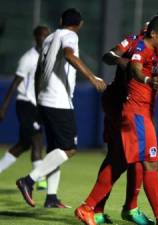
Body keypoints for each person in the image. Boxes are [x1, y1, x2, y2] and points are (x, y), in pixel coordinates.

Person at [75, 15, 158, 225]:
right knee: (148, 163)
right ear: (155, 30)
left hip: (140, 112)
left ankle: (90, 208)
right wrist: (147, 79)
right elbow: (130, 65)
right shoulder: (139, 45)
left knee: (120, 160)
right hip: (129, 111)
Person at [15, 8, 106, 208]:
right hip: (58, 101)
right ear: (80, 24)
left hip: (44, 99)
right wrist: (92, 78)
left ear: (60, 20)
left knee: (55, 149)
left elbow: (40, 69)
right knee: (69, 148)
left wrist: (38, 96)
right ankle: (28, 181)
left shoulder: (49, 38)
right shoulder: (70, 35)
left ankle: (51, 197)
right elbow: (69, 54)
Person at [0, 26, 49, 190]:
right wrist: (4, 108)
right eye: (41, 36)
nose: (44, 38)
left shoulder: (47, 57)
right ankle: (40, 179)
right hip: (25, 104)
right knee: (37, 141)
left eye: (47, 36)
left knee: (23, 144)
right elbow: (15, 84)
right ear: (35, 37)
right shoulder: (28, 58)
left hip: (37, 105)